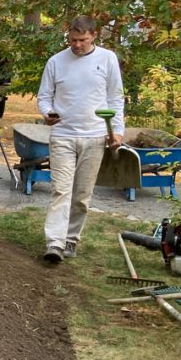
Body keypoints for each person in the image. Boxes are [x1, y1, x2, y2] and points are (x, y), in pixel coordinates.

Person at [37, 15, 125, 263]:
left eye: (82, 40)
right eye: (73, 40)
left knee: (82, 195)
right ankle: (55, 243)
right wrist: (47, 113)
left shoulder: (107, 59)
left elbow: (115, 98)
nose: (77, 45)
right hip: (63, 135)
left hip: (95, 136)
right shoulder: (56, 62)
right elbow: (44, 96)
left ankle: (70, 239)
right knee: (60, 190)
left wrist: (118, 130)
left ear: (94, 36)